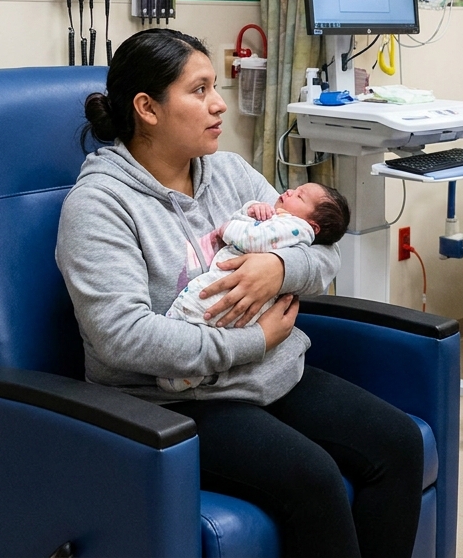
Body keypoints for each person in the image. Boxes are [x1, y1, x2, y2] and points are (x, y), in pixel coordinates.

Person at [55, 29, 422, 558]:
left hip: (271, 371)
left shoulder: (228, 171)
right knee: (314, 479)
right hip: (177, 398)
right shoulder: (98, 206)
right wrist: (252, 341)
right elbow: (120, 337)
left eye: (214, 87)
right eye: (199, 89)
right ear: (147, 108)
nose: (219, 104)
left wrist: (276, 266)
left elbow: (323, 251)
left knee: (399, 443)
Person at [159, 182, 351, 392]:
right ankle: (184, 375)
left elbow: (328, 254)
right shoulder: (282, 217)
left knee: (209, 313)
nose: (289, 191)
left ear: (313, 226)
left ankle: (181, 375)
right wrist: (251, 209)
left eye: (299, 196)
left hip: (277, 370)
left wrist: (278, 268)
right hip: (213, 387)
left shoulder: (295, 226)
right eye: (296, 189)